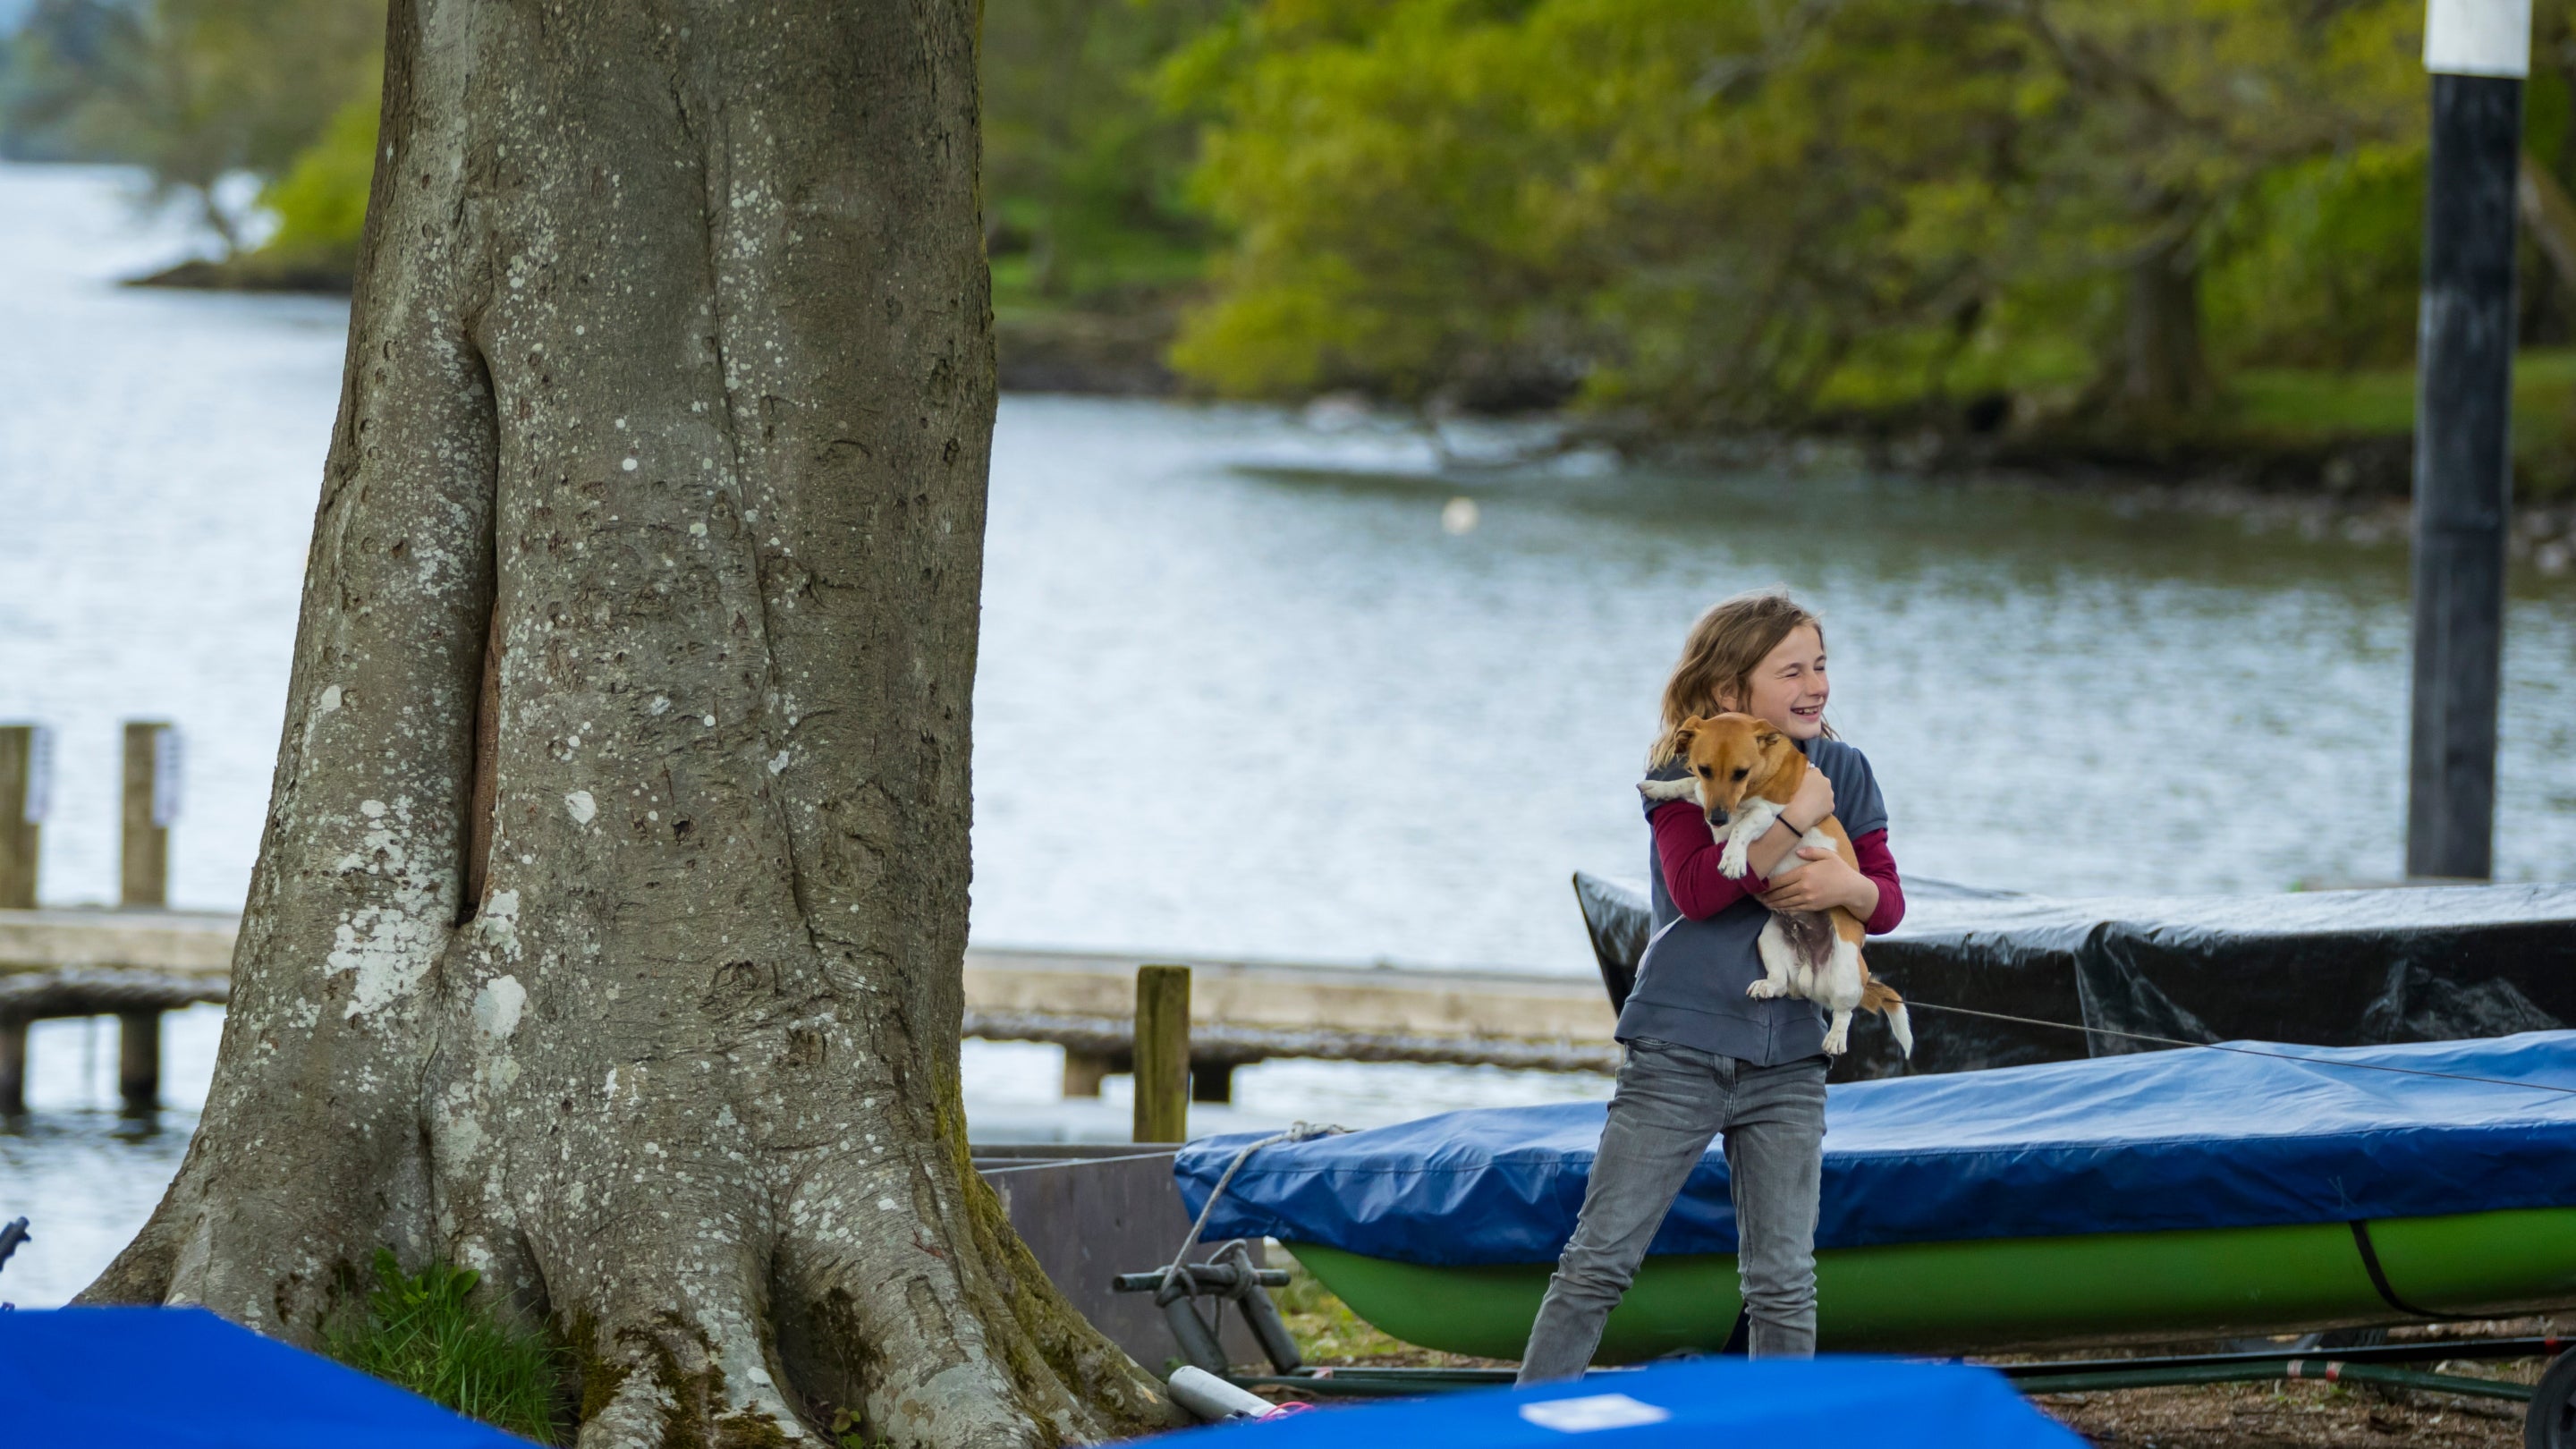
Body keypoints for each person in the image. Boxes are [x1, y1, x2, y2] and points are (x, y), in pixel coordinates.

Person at [1517, 589, 1905, 1380]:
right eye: (1790, 670)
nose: (1815, 684)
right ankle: (1524, 1427)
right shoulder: (1689, 768)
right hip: (1680, 1052)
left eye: (1821, 666)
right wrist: (1798, 818)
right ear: (1732, 692)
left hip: (1792, 1059)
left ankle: (1777, 1434)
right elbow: (1698, 891)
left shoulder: (1848, 771)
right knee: (1598, 1264)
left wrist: (1846, 884)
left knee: (1784, 1284)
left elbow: (1888, 902)